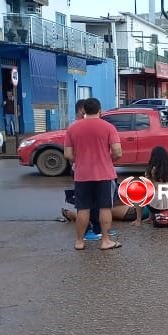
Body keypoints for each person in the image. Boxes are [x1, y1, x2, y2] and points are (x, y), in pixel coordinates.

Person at [63, 97, 122, 251]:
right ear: (99, 110)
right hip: (104, 173)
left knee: (82, 208)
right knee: (105, 208)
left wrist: (80, 159)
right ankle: (105, 241)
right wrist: (109, 159)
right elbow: (117, 151)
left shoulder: (73, 128)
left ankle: (79, 242)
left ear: (84, 110)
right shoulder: (109, 127)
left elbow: (68, 154)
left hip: (82, 174)